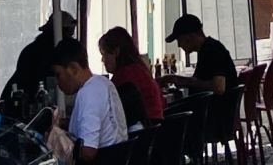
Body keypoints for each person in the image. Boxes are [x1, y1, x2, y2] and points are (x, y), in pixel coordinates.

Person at [51, 37, 129, 165]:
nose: (58, 83)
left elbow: (88, 152)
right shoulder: (104, 83)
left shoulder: (88, 93)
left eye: (58, 75)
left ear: (73, 69)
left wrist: (62, 142)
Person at [164, 14, 239, 144]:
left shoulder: (212, 51)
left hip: (215, 119)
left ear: (190, 37)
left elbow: (219, 87)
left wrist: (187, 82)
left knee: (168, 125)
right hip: (218, 116)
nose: (179, 45)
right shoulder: (208, 49)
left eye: (179, 40)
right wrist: (180, 81)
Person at [1, 13, 78, 110]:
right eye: (69, 33)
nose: (71, 38)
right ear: (59, 32)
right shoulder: (41, 53)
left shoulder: (31, 49)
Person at [98, 27, 164, 134]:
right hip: (154, 132)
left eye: (104, 54)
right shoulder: (140, 70)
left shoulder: (125, 75)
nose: (102, 60)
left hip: (141, 135)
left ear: (116, 52)